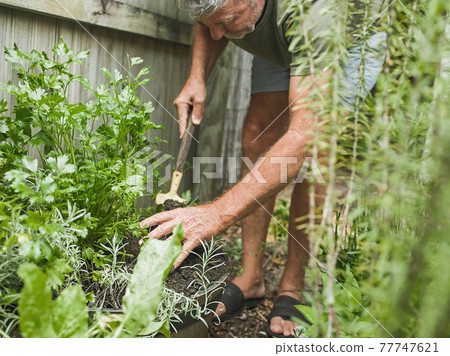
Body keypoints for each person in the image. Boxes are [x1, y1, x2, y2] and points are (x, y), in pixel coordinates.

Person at [140, 0, 386, 337]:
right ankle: (251, 276)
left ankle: (292, 285)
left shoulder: (313, 14)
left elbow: (305, 136)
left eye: (225, 21)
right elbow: (209, 21)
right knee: (258, 133)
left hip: (346, 40)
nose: (217, 34)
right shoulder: (232, 13)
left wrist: (218, 214)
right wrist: (197, 76)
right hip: (278, 31)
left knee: (317, 155)